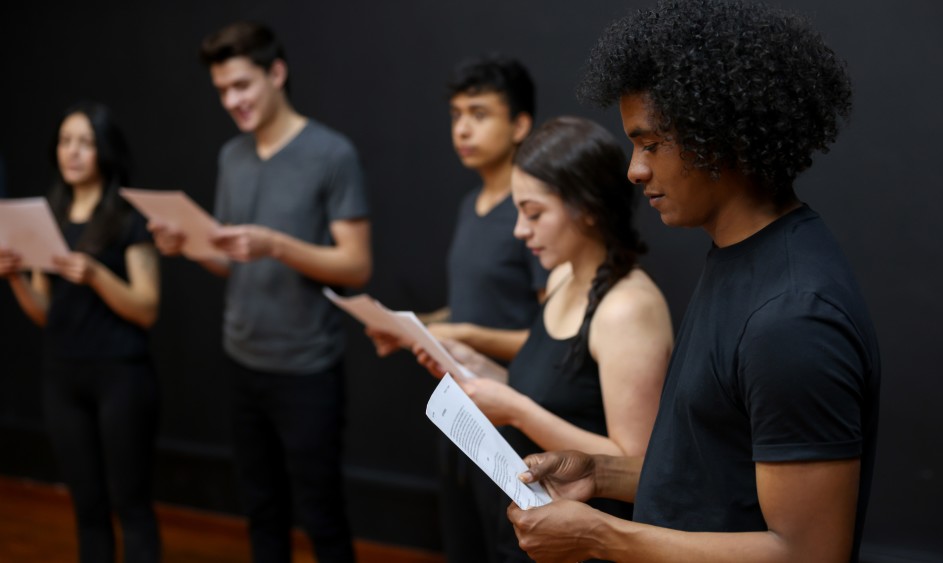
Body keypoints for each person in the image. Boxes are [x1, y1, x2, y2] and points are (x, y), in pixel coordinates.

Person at [506, 1, 882, 562]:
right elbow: (714, 480)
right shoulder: (737, 258)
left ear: (722, 137)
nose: (635, 169)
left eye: (651, 144)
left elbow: (807, 553)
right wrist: (598, 473)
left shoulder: (792, 317)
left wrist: (597, 534)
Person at [149, 21, 371, 563]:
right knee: (261, 512)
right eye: (223, 90)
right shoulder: (232, 157)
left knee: (321, 515)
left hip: (307, 369)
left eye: (242, 85)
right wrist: (191, 247)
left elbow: (356, 266)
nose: (232, 101)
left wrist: (276, 244)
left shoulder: (331, 153)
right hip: (243, 363)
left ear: (276, 73)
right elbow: (235, 262)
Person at [416, 116, 674, 562]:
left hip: (585, 537)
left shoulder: (626, 308)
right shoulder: (560, 278)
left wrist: (515, 409)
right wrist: (471, 365)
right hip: (534, 517)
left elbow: (635, 466)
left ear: (587, 209)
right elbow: (553, 391)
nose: (520, 230)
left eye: (534, 213)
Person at [366, 55, 548, 563]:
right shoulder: (471, 205)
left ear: (520, 125)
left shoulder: (533, 212)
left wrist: (464, 332)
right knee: (461, 541)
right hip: (458, 407)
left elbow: (553, 340)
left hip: (512, 416)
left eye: (479, 113)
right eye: (455, 114)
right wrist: (414, 328)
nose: (463, 127)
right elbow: (472, 305)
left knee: (506, 547)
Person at [0, 102, 161, 563]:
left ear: (104, 152)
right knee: (87, 509)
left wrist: (95, 276)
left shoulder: (128, 219)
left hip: (122, 376)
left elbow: (147, 308)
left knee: (131, 506)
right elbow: (44, 313)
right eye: (66, 141)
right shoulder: (45, 216)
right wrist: (13, 275)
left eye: (85, 142)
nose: (72, 152)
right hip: (63, 377)